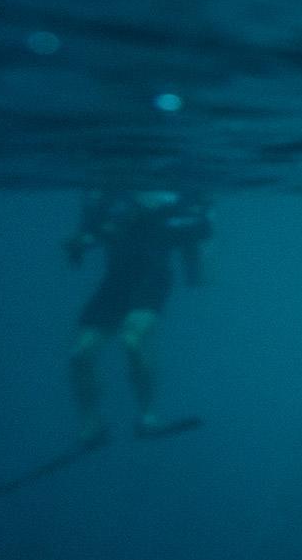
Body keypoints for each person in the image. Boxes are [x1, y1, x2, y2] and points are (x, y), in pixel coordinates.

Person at [65, 188, 213, 446]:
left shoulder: (168, 197)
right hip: (115, 282)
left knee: (132, 339)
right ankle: (92, 425)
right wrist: (80, 242)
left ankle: (148, 416)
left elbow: (200, 228)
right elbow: (91, 233)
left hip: (152, 278)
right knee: (80, 354)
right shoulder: (101, 198)